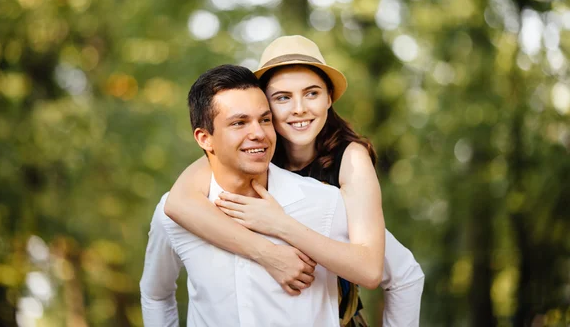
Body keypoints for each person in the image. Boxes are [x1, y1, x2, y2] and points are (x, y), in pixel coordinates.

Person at [164, 35, 425, 326]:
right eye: (283, 97)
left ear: (329, 98)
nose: (299, 108)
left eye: (312, 93)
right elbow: (178, 202)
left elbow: (375, 268)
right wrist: (267, 253)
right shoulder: (254, 153)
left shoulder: (350, 160)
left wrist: (280, 225)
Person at [140, 64, 352, 326]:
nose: (258, 134)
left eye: (264, 120)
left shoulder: (323, 202)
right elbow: (155, 295)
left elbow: (396, 274)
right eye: (239, 123)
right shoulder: (172, 215)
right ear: (205, 138)